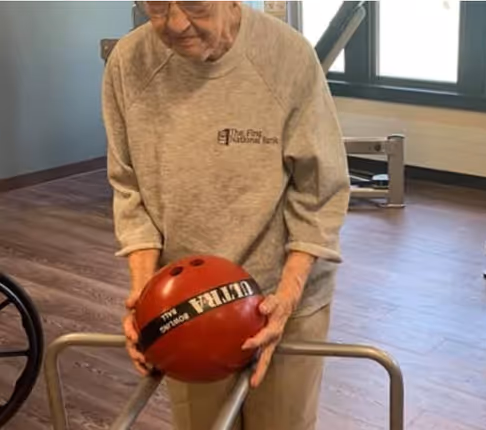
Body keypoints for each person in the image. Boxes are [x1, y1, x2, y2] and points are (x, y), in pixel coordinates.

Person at [101, 1, 350, 429]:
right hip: (187, 306)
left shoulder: (288, 56)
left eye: (194, 3)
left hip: (279, 294)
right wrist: (145, 297)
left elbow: (320, 191)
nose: (175, 24)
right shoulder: (128, 63)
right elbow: (129, 188)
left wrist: (286, 298)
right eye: (156, 5)